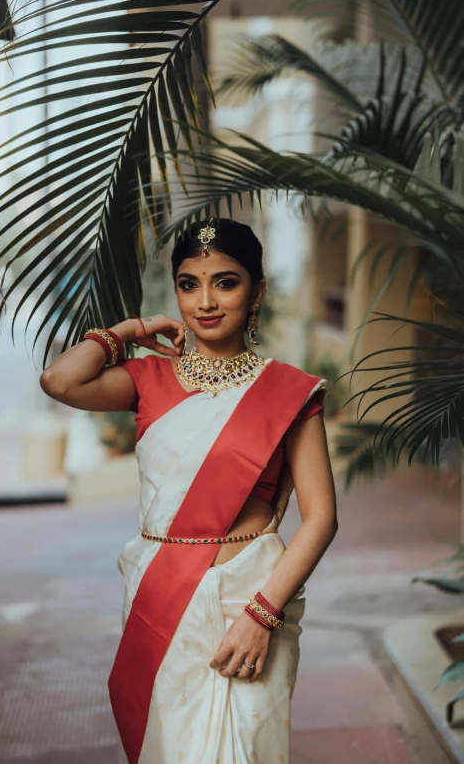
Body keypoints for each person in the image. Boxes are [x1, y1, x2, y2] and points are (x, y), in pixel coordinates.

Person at [40, 217, 338, 764]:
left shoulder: (288, 392)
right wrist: (130, 332)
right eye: (188, 283)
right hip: (160, 597)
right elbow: (60, 381)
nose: (205, 301)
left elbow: (321, 518)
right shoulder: (147, 379)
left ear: (257, 291)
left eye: (225, 282)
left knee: (247, 750)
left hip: (251, 598)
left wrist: (262, 615)